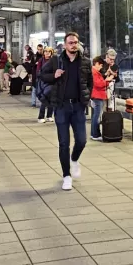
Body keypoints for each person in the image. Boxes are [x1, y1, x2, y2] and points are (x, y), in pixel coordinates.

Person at [40, 32, 92, 190]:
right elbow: (42, 75)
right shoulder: (56, 60)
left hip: (78, 107)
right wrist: (54, 76)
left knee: (82, 140)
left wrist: (86, 96)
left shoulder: (85, 62)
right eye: (70, 42)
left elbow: (90, 81)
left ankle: (74, 159)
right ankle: (66, 176)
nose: (73, 45)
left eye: (75, 42)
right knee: (64, 143)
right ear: (64, 45)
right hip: (62, 107)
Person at [89, 56, 109, 141]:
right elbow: (98, 84)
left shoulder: (94, 72)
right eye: (100, 65)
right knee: (96, 116)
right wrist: (107, 80)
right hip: (97, 96)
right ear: (97, 64)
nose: (101, 67)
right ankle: (95, 134)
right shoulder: (94, 72)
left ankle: (94, 133)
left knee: (95, 116)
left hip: (96, 95)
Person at [35, 46, 55, 123]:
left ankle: (49, 116)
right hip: (43, 82)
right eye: (46, 51)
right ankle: (41, 116)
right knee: (44, 99)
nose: (47, 53)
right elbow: (38, 71)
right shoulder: (41, 60)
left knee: (52, 99)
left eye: (49, 52)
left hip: (52, 82)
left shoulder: (53, 61)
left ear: (51, 53)